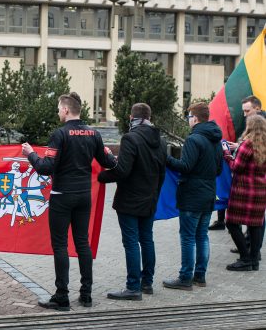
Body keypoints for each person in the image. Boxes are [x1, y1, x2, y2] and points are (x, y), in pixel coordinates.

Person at [22, 92, 116, 310]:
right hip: (84, 196)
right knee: (82, 243)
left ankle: (62, 296)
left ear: (65, 110)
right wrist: (109, 154)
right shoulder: (94, 133)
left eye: (58, 108)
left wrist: (30, 154)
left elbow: (46, 168)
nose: (57, 112)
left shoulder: (59, 134)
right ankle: (86, 295)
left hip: (62, 197)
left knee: (61, 245)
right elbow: (109, 162)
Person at [98, 103, 167, 300]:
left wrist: (101, 176)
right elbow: (162, 172)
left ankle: (133, 287)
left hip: (129, 201)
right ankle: (147, 283)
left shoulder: (131, 138)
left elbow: (123, 171)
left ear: (131, 117)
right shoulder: (161, 141)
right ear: (149, 117)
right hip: (150, 199)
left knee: (130, 243)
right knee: (147, 239)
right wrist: (154, 193)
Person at [163, 102, 222, 291]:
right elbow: (219, 169)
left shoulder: (194, 139)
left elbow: (185, 166)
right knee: (202, 236)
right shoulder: (215, 139)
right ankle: (200, 276)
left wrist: (167, 159)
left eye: (189, 117)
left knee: (188, 237)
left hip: (192, 195)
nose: (188, 120)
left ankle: (185, 278)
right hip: (208, 194)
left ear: (195, 118)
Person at [224, 115, 266, 271]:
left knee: (231, 223)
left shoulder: (247, 144)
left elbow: (236, 167)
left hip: (243, 190)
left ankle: (245, 258)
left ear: (250, 127)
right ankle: (254, 260)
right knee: (255, 225)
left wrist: (227, 155)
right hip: (260, 190)